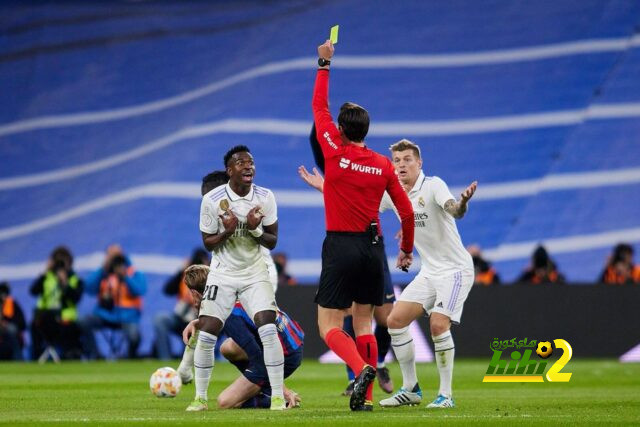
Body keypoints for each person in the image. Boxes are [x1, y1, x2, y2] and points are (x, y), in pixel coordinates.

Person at [301, 139, 477, 408]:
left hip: (455, 271)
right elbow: (353, 201)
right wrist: (323, 186)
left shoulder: (433, 185)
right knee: (394, 321)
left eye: (407, 159)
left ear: (420, 163)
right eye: (397, 160)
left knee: (438, 325)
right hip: (430, 271)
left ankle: (446, 395)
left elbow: (454, 209)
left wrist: (462, 202)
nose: (401, 165)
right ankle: (411, 389)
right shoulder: (392, 192)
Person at [311, 40, 415, 411]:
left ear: (340, 128)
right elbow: (404, 210)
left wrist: (324, 63)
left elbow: (318, 106)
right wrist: (405, 250)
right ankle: (365, 401)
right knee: (365, 324)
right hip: (373, 248)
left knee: (328, 327)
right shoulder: (383, 165)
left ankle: (359, 370)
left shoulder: (334, 153)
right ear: (368, 131)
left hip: (340, 246)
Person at [303, 123, 398, 395]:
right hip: (370, 249)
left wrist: (321, 103)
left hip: (353, 247)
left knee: (385, 319)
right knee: (355, 317)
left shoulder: (363, 164)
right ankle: (358, 380)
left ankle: (369, 366)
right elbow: (316, 141)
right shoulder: (347, 161)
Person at [188, 145, 285, 411]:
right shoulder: (212, 200)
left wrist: (254, 231)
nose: (248, 166)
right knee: (207, 332)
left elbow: (273, 241)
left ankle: (277, 396)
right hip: (223, 272)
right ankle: (200, 398)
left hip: (255, 272)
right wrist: (227, 232)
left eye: (251, 163)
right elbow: (208, 243)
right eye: (242, 163)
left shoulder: (265, 197)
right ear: (230, 170)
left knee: (267, 327)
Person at [175, 169, 279, 384]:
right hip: (227, 267)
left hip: (258, 271)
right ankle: (185, 369)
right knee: (214, 321)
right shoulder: (212, 213)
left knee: (240, 326)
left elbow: (268, 238)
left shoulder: (251, 205)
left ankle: (273, 381)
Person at [182, 264, 303, 409]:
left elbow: (256, 356)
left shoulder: (231, 316)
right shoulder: (236, 293)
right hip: (293, 340)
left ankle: (276, 397)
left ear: (195, 294)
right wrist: (199, 322)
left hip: (286, 355)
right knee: (227, 348)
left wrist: (281, 390)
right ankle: (260, 385)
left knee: (225, 402)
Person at [81, 245, 147, 359]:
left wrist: (125, 277)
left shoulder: (132, 272)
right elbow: (88, 288)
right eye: (112, 256)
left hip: (128, 317)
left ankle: (130, 357)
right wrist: (103, 269)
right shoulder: (103, 273)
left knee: (134, 336)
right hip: (105, 315)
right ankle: (96, 356)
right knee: (84, 322)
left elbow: (140, 290)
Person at [153, 248, 210, 360]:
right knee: (160, 319)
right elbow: (168, 290)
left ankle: (199, 358)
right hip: (180, 317)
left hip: (200, 319)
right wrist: (181, 270)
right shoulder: (186, 274)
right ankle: (165, 359)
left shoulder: (211, 275)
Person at [30, 246, 84, 360]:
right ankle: (36, 356)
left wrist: (64, 283)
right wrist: (44, 272)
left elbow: (76, 298)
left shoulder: (74, 278)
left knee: (70, 330)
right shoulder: (47, 277)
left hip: (66, 318)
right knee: (34, 325)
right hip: (46, 317)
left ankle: (69, 356)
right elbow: (33, 291)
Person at [0, 282, 26, 360]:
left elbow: (22, 323)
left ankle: (18, 358)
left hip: (11, 331)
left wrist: (6, 324)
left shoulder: (12, 303)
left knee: (11, 330)